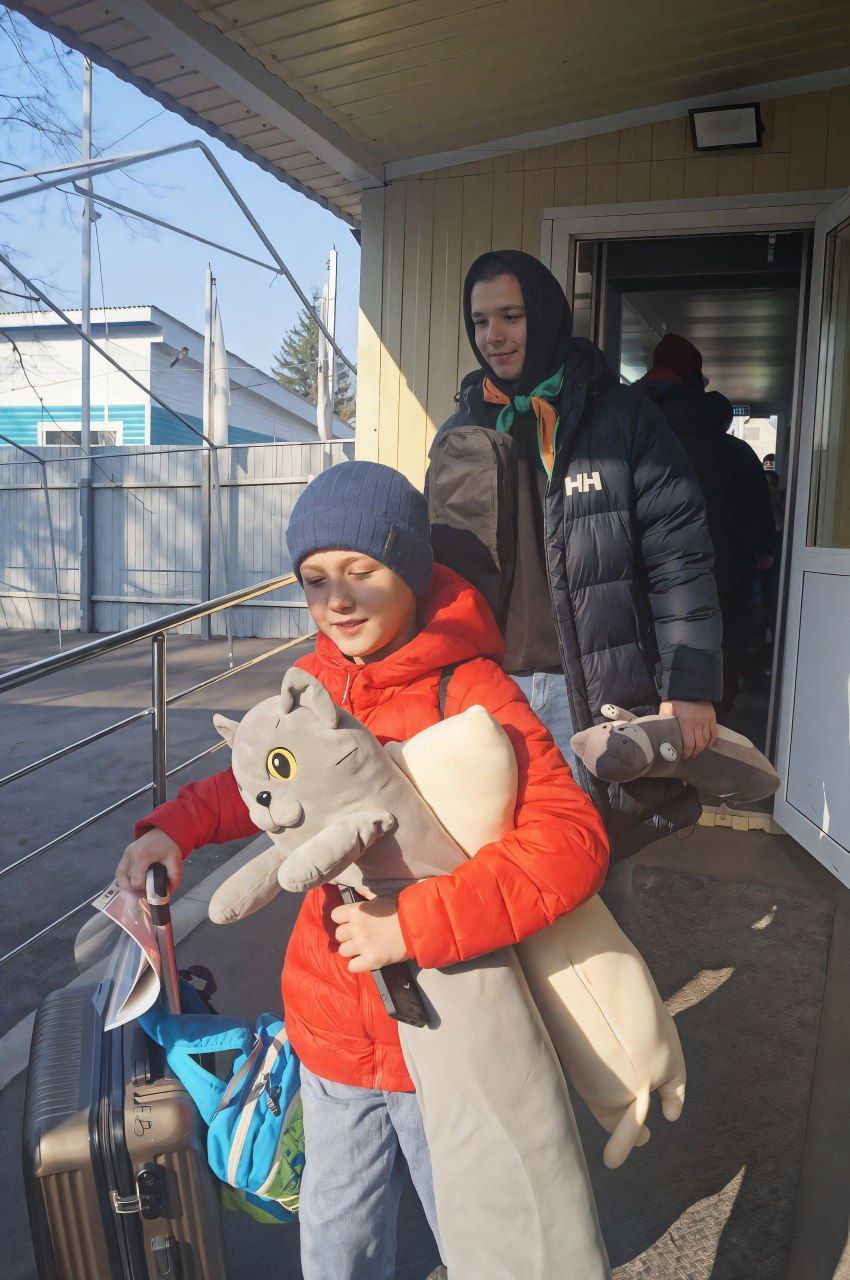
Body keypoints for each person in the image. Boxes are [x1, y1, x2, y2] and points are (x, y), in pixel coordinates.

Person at [116, 461, 611, 1280]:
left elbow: (571, 841)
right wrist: (175, 827)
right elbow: (263, 782)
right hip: (329, 1029)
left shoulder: (471, 690)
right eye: (316, 580)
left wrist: (414, 923)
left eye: (361, 571)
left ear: (410, 570)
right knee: (336, 1241)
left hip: (438, 1037)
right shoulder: (313, 680)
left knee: (479, 1236)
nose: (337, 601)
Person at [427, 251, 723, 859]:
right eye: (480, 321)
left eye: (510, 316)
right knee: (495, 857)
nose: (493, 335)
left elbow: (680, 556)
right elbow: (438, 571)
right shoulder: (462, 431)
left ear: (545, 315)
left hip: (588, 688)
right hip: (489, 689)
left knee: (596, 859)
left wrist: (690, 682)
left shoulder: (620, 417)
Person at [637, 333, 776, 711]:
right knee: (709, 712)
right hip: (720, 592)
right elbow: (761, 538)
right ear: (695, 382)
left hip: (636, 596)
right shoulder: (735, 453)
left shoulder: (618, 433)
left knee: (638, 715)